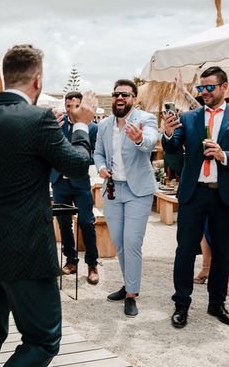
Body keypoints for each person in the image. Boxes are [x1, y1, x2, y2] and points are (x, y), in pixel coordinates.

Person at [0, 45, 96, 367]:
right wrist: (81, 125)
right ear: (37, 80)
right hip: (25, 248)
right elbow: (78, 165)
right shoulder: (38, 119)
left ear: (3, 76)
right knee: (43, 339)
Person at [163, 66, 229, 329]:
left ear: (224, 87)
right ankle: (181, 304)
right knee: (184, 252)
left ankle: (216, 304)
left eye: (209, 87)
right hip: (193, 195)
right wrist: (168, 133)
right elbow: (172, 147)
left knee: (223, 252)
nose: (204, 92)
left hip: (224, 195)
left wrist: (225, 155)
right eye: (200, 88)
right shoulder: (191, 117)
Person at [93, 79, 158, 317]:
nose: (120, 98)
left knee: (132, 242)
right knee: (119, 243)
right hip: (112, 190)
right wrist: (100, 167)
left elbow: (151, 140)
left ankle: (132, 294)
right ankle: (127, 283)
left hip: (138, 191)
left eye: (126, 95)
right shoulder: (104, 125)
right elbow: (98, 152)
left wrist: (140, 139)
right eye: (116, 94)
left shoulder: (146, 119)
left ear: (135, 99)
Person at [52, 91, 100, 285]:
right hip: (59, 182)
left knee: (87, 223)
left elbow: (95, 155)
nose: (72, 110)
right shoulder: (57, 125)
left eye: (76, 106)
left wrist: (76, 157)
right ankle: (71, 261)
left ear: (83, 107)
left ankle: (92, 264)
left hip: (80, 183)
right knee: (64, 224)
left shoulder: (93, 128)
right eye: (68, 106)